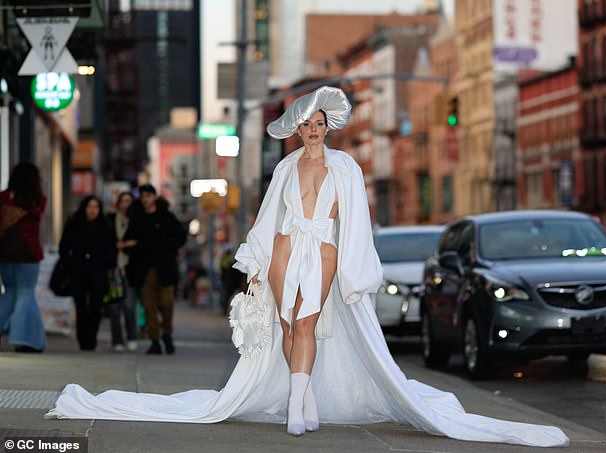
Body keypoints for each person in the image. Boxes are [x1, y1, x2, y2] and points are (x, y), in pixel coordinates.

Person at [45, 87, 569, 448]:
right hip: (281, 248)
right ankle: (304, 392)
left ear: (327, 126)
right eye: (306, 125)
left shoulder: (346, 167)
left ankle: (298, 401)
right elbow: (268, 216)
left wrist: (358, 274)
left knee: (307, 323)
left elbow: (357, 225)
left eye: (320, 123)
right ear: (295, 130)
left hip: (323, 250)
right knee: (284, 325)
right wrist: (252, 264)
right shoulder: (285, 168)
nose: (314, 131)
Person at [124, 184, 186, 355]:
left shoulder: (166, 217)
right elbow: (128, 240)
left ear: (154, 197)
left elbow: (181, 237)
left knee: (167, 304)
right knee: (149, 306)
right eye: (142, 196)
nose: (145, 200)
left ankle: (166, 334)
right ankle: (155, 339)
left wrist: (163, 244)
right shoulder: (137, 218)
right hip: (144, 269)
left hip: (165, 268)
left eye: (148, 196)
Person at [0, 162, 47, 352]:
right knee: (26, 294)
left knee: (10, 293)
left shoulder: (3, 197)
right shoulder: (36, 200)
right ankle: (26, 340)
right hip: (28, 254)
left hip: (4, 253)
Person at [59, 195, 116, 351]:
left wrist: (106, 263)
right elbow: (64, 247)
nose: (92, 211)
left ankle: (92, 338)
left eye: (96, 207)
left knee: (96, 307)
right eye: (89, 207)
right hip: (78, 271)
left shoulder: (105, 226)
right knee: (81, 306)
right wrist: (70, 263)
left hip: (98, 272)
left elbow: (111, 250)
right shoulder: (74, 224)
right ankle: (83, 339)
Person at [107, 192, 138, 352]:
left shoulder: (137, 221)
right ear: (118, 203)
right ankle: (117, 340)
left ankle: (132, 336)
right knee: (113, 307)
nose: (125, 204)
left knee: (129, 306)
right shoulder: (110, 220)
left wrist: (129, 245)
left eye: (128, 201)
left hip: (129, 269)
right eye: (123, 201)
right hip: (113, 269)